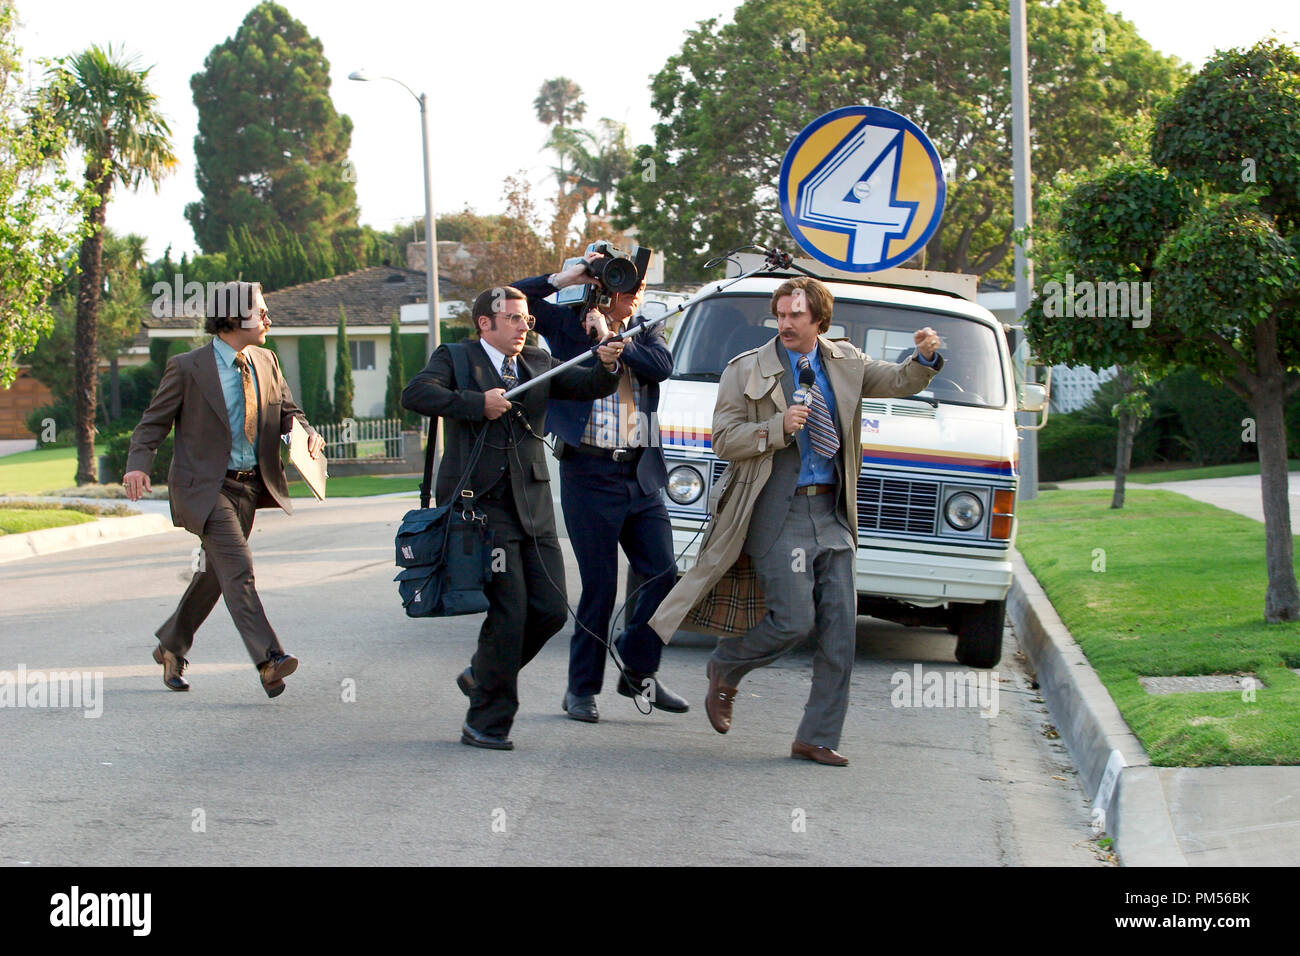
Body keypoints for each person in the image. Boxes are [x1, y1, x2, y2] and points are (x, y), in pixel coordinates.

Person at [649, 276, 945, 765]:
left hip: (832, 511)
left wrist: (926, 359)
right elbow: (724, 439)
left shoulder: (846, 362)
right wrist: (775, 429)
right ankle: (727, 665)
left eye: (796, 316)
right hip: (776, 510)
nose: (785, 324)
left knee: (839, 633)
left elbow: (899, 380)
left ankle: (817, 737)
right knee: (793, 621)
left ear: (819, 321)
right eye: (780, 315)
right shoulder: (746, 370)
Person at [401, 285, 625, 750]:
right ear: (486, 322)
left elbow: (585, 386)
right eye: (515, 318)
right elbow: (416, 393)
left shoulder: (539, 362)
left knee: (548, 609)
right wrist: (476, 403)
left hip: (533, 505)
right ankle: (487, 721)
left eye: (527, 319)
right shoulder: (456, 357)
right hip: (481, 508)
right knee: (510, 611)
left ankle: (482, 675)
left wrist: (605, 363)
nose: (527, 326)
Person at [123, 280, 324, 699]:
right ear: (233, 318)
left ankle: (171, 645)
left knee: (216, 575)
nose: (268, 318)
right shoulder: (187, 367)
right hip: (206, 489)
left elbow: (288, 411)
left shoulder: (266, 361)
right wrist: (137, 467)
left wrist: (304, 433)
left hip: (250, 489)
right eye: (261, 311)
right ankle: (269, 659)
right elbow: (152, 424)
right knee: (239, 569)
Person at [510, 253, 688, 723]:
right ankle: (580, 690)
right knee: (600, 588)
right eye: (626, 285)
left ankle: (637, 668)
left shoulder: (648, 329)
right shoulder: (569, 326)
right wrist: (564, 278)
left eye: (641, 288)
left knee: (663, 576)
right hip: (588, 473)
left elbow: (662, 365)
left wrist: (615, 342)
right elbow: (512, 298)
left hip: (641, 473)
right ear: (605, 286)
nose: (635, 295)